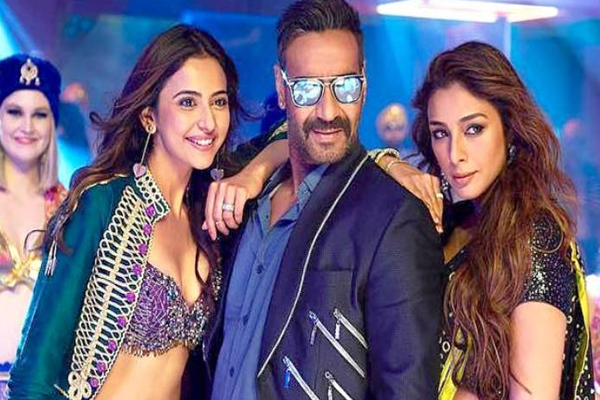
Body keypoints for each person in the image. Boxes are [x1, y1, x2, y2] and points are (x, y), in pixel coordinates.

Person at [205, 0, 445, 399]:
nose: (329, 111)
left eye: (344, 86)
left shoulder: (396, 219)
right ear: (282, 89)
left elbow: (406, 390)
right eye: (307, 89)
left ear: (364, 82)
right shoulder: (245, 197)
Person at [8, 24, 258, 399]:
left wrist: (254, 175)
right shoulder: (101, 203)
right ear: (148, 117)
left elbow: (288, 136)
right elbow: (35, 370)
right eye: (188, 102)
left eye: (218, 102)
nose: (208, 122)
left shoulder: (207, 217)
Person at [377, 41, 594, 398]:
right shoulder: (453, 220)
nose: (455, 154)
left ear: (509, 128)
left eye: (473, 129)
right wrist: (390, 163)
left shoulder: (535, 237)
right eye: (441, 133)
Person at [0, 54, 67, 398]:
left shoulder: (70, 208)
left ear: (53, 123)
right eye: (14, 112)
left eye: (40, 114)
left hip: (40, 388)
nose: (27, 126)